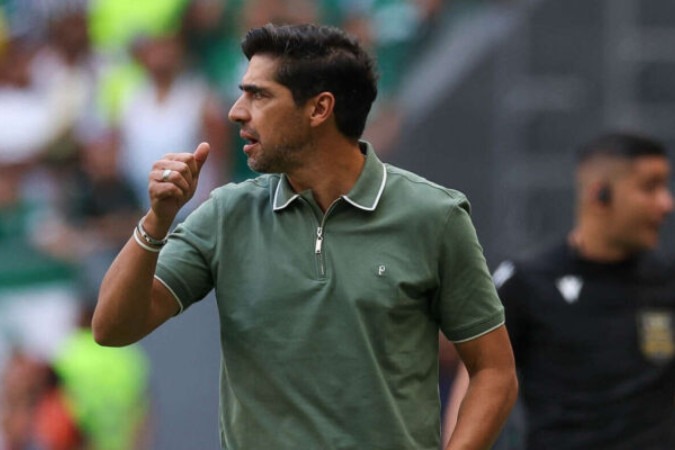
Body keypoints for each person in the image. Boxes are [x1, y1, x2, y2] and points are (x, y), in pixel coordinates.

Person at [92, 23, 517, 450]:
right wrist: (156, 221)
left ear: (319, 109)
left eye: (259, 95)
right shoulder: (224, 214)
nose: (236, 111)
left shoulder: (434, 216)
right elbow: (112, 327)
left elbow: (494, 372)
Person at [484, 132, 675, 449]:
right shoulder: (527, 282)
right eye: (649, 187)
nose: (666, 203)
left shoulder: (668, 282)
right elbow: (479, 380)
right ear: (599, 194)